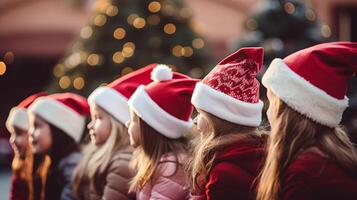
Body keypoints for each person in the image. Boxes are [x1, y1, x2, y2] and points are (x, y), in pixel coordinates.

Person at [257, 42, 357, 200]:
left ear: (287, 113)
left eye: (272, 103)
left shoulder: (303, 173)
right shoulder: (327, 158)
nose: (268, 111)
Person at [188, 47, 266, 200]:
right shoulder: (259, 156)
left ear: (219, 120)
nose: (195, 120)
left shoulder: (223, 176)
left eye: (201, 113)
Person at [72, 64, 157, 200]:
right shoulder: (98, 156)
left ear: (118, 123)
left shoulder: (123, 163)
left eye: (98, 118)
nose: (90, 125)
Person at [127, 65, 198, 199]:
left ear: (151, 127)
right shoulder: (160, 162)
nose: (127, 123)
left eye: (133, 119)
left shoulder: (172, 167)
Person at [28, 93, 90, 200]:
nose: (30, 132)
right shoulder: (51, 162)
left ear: (58, 130)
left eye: (37, 126)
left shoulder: (72, 165)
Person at [6, 92, 47, 200]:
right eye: (11, 133)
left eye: (18, 133)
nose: (12, 140)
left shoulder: (49, 169)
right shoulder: (20, 167)